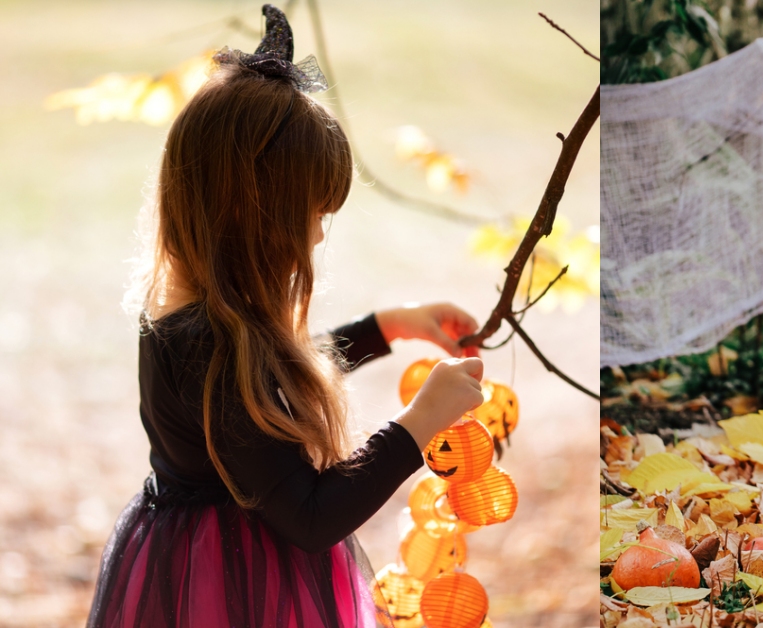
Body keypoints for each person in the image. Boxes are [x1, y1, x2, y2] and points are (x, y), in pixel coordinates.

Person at [86, 6, 484, 627]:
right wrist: (420, 421)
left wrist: (387, 326)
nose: (319, 237)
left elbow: (266, 388)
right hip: (224, 588)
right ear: (253, 216)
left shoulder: (199, 320)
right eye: (312, 214)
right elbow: (311, 517)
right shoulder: (208, 346)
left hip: (218, 560)